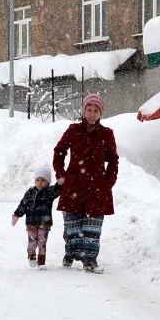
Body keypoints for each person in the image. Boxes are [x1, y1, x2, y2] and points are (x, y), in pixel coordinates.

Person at [53, 93, 119, 273]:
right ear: (83, 111)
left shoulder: (106, 134)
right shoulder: (73, 130)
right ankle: (71, 253)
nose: (91, 114)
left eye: (95, 111)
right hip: (74, 184)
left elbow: (113, 160)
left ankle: (90, 259)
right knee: (72, 225)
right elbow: (59, 151)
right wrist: (61, 174)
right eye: (88, 110)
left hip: (97, 187)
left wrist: (108, 182)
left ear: (100, 113)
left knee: (92, 227)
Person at [11, 166, 63, 268]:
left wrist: (59, 184)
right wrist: (17, 214)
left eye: (43, 180)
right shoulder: (30, 192)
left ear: (48, 182)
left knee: (42, 242)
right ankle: (31, 256)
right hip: (31, 223)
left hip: (44, 223)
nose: (40, 182)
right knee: (32, 242)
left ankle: (41, 262)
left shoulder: (49, 192)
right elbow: (23, 204)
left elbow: (57, 190)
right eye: (38, 180)